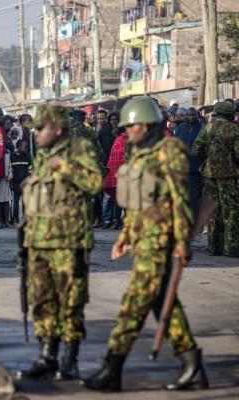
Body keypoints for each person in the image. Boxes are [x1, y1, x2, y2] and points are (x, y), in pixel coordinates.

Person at [82, 97, 207, 392]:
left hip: (161, 241)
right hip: (142, 239)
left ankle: (113, 367)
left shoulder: (169, 151)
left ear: (146, 125)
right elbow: (136, 204)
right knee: (164, 303)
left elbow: (179, 198)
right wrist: (124, 237)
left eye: (133, 126)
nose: (129, 132)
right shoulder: (136, 154)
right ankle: (192, 364)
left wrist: (182, 241)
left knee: (134, 304)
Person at [18, 104, 102, 381]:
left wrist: (64, 167)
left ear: (56, 129)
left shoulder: (80, 149)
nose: (36, 134)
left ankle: (69, 360)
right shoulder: (43, 154)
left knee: (71, 301)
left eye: (40, 129)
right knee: (42, 299)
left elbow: (94, 183)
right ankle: (47, 355)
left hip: (70, 241)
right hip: (40, 240)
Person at [192, 100, 239, 257]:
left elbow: (196, 150)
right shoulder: (233, 130)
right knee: (231, 209)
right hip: (227, 175)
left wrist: (210, 157)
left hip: (209, 175)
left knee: (213, 210)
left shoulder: (207, 128)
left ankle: (214, 246)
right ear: (230, 115)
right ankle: (231, 246)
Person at [175, 107, 203, 218]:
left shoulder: (202, 128)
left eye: (193, 115)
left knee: (195, 196)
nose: (191, 117)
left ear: (197, 115)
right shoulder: (180, 128)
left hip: (197, 168)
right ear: (185, 116)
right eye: (189, 115)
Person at [10, 139, 30, 224]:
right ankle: (15, 219)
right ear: (18, 147)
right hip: (16, 183)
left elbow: (30, 169)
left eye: (27, 146)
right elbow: (10, 170)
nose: (26, 148)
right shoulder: (12, 156)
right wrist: (11, 181)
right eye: (24, 146)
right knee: (16, 202)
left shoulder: (28, 156)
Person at [0, 145, 12, 229]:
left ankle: (6, 221)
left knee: (6, 200)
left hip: (6, 181)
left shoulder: (8, 154)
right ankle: (0, 221)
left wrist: (9, 176)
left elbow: (10, 167)